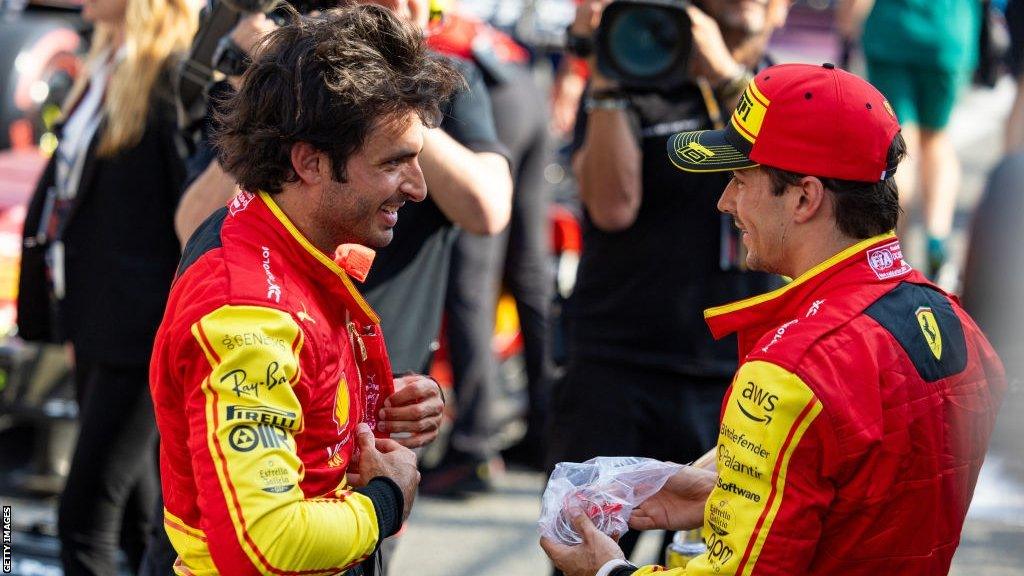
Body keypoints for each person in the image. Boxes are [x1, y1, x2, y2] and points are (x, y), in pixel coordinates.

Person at [541, 62, 1006, 576]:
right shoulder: (955, 323)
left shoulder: (790, 369)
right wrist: (730, 490)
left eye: (740, 180)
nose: (725, 202)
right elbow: (856, 492)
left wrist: (608, 571)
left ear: (805, 197)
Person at [148, 6, 455, 574]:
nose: (417, 187)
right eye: (395, 163)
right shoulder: (247, 311)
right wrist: (386, 500)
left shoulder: (280, 232)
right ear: (310, 163)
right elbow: (264, 541)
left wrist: (378, 410)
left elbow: (302, 403)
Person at [547, 0, 788, 562]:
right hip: (618, 366)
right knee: (586, 556)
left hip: (735, 375)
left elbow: (799, 181)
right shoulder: (636, 67)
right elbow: (611, 207)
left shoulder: (786, 94)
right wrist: (607, 69)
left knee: (724, 562)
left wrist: (729, 79)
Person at [15, 0, 197, 571]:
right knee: (143, 513)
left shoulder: (172, 74)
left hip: (140, 327)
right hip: (92, 314)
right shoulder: (103, 64)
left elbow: (190, 216)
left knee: (86, 511)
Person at [422, 6, 555, 494]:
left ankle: (474, 447)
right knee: (530, 272)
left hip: (482, 95)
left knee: (471, 286)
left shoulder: (406, 25)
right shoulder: (461, 21)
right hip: (525, 90)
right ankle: (545, 428)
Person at [836, 0, 980, 278]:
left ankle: (892, 248)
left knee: (901, 145)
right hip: (948, 29)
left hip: (893, 31)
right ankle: (937, 240)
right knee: (937, 138)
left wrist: (848, 21)